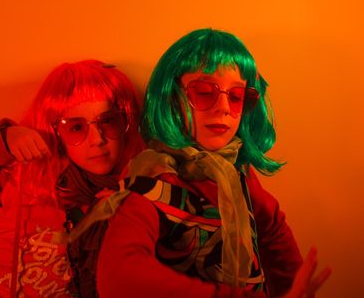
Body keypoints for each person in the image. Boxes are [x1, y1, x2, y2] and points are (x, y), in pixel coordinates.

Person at [96, 29, 330, 297]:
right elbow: (119, 278)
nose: (223, 107)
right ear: (172, 97)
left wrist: (291, 285)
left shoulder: (234, 171)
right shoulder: (154, 177)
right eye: (205, 92)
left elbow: (272, 229)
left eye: (236, 96)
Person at [0, 60, 144, 297]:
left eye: (108, 121)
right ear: (55, 131)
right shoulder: (33, 173)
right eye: (76, 127)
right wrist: (3, 140)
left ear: (126, 121)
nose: (97, 139)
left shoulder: (135, 190)